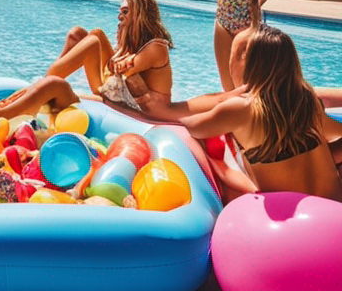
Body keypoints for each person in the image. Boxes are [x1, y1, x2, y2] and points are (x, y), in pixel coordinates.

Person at [140, 25, 342, 202]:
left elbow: (193, 127)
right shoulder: (307, 102)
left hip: (293, 229)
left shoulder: (241, 109)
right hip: (333, 211)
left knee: (206, 146)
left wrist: (223, 100)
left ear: (245, 59)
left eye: (232, 53)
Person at [46, 0, 173, 111]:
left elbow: (124, 74)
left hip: (114, 97)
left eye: (125, 11)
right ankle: (48, 80)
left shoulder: (152, 48)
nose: (119, 16)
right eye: (120, 12)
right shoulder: (132, 41)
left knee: (92, 43)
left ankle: (45, 85)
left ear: (139, 14)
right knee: (82, 34)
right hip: (114, 84)